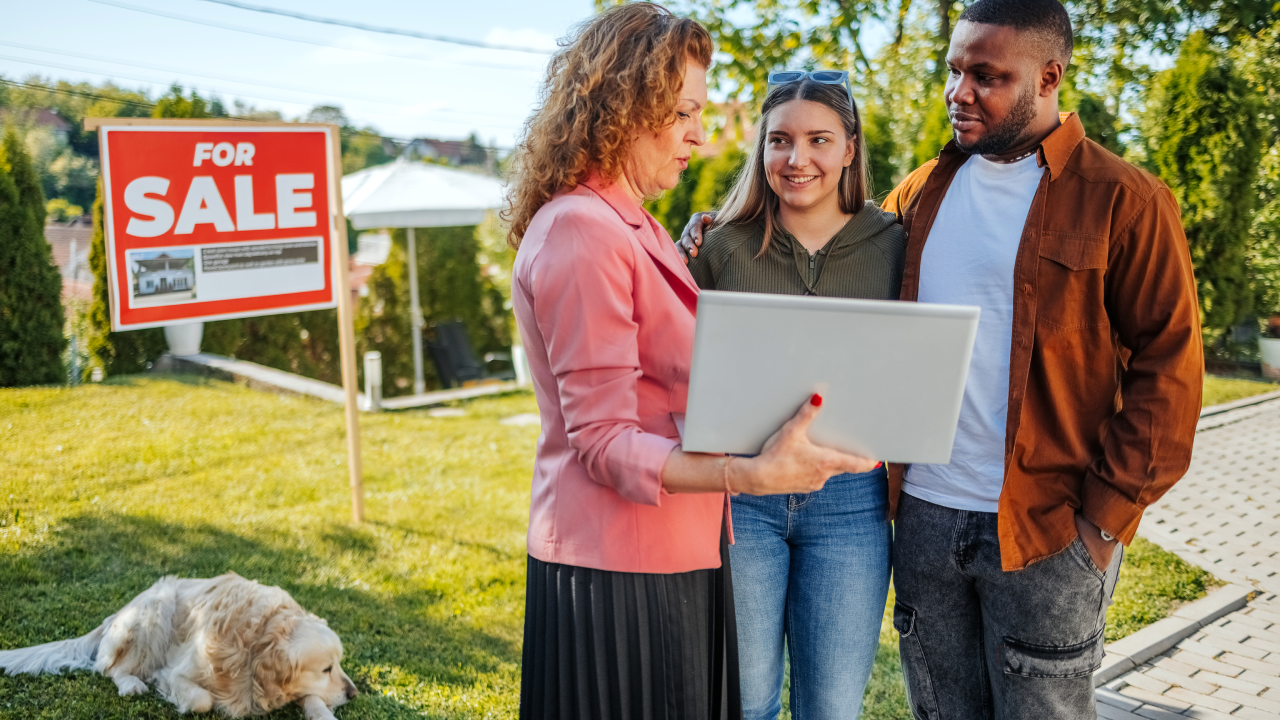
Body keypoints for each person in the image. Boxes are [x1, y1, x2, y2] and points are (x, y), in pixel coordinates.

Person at [681, 1, 1203, 717]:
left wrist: (1101, 526)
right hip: (924, 519)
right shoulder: (922, 195)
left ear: (1049, 76)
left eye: (986, 76)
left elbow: (1170, 372)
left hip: (1046, 529)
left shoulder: (1126, 200)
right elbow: (832, 245)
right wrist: (714, 228)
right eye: (955, 70)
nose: (959, 91)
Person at [504, 5, 877, 719]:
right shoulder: (583, 232)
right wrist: (755, 474)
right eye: (682, 114)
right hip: (618, 569)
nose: (700, 137)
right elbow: (604, 442)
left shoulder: (630, 220)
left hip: (676, 549)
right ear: (621, 108)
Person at [683, 73, 901, 720]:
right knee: (747, 700)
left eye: (818, 140)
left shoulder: (895, 245)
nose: (796, 159)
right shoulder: (718, 246)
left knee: (830, 709)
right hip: (743, 498)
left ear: (850, 149)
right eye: (779, 140)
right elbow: (672, 360)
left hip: (851, 503)